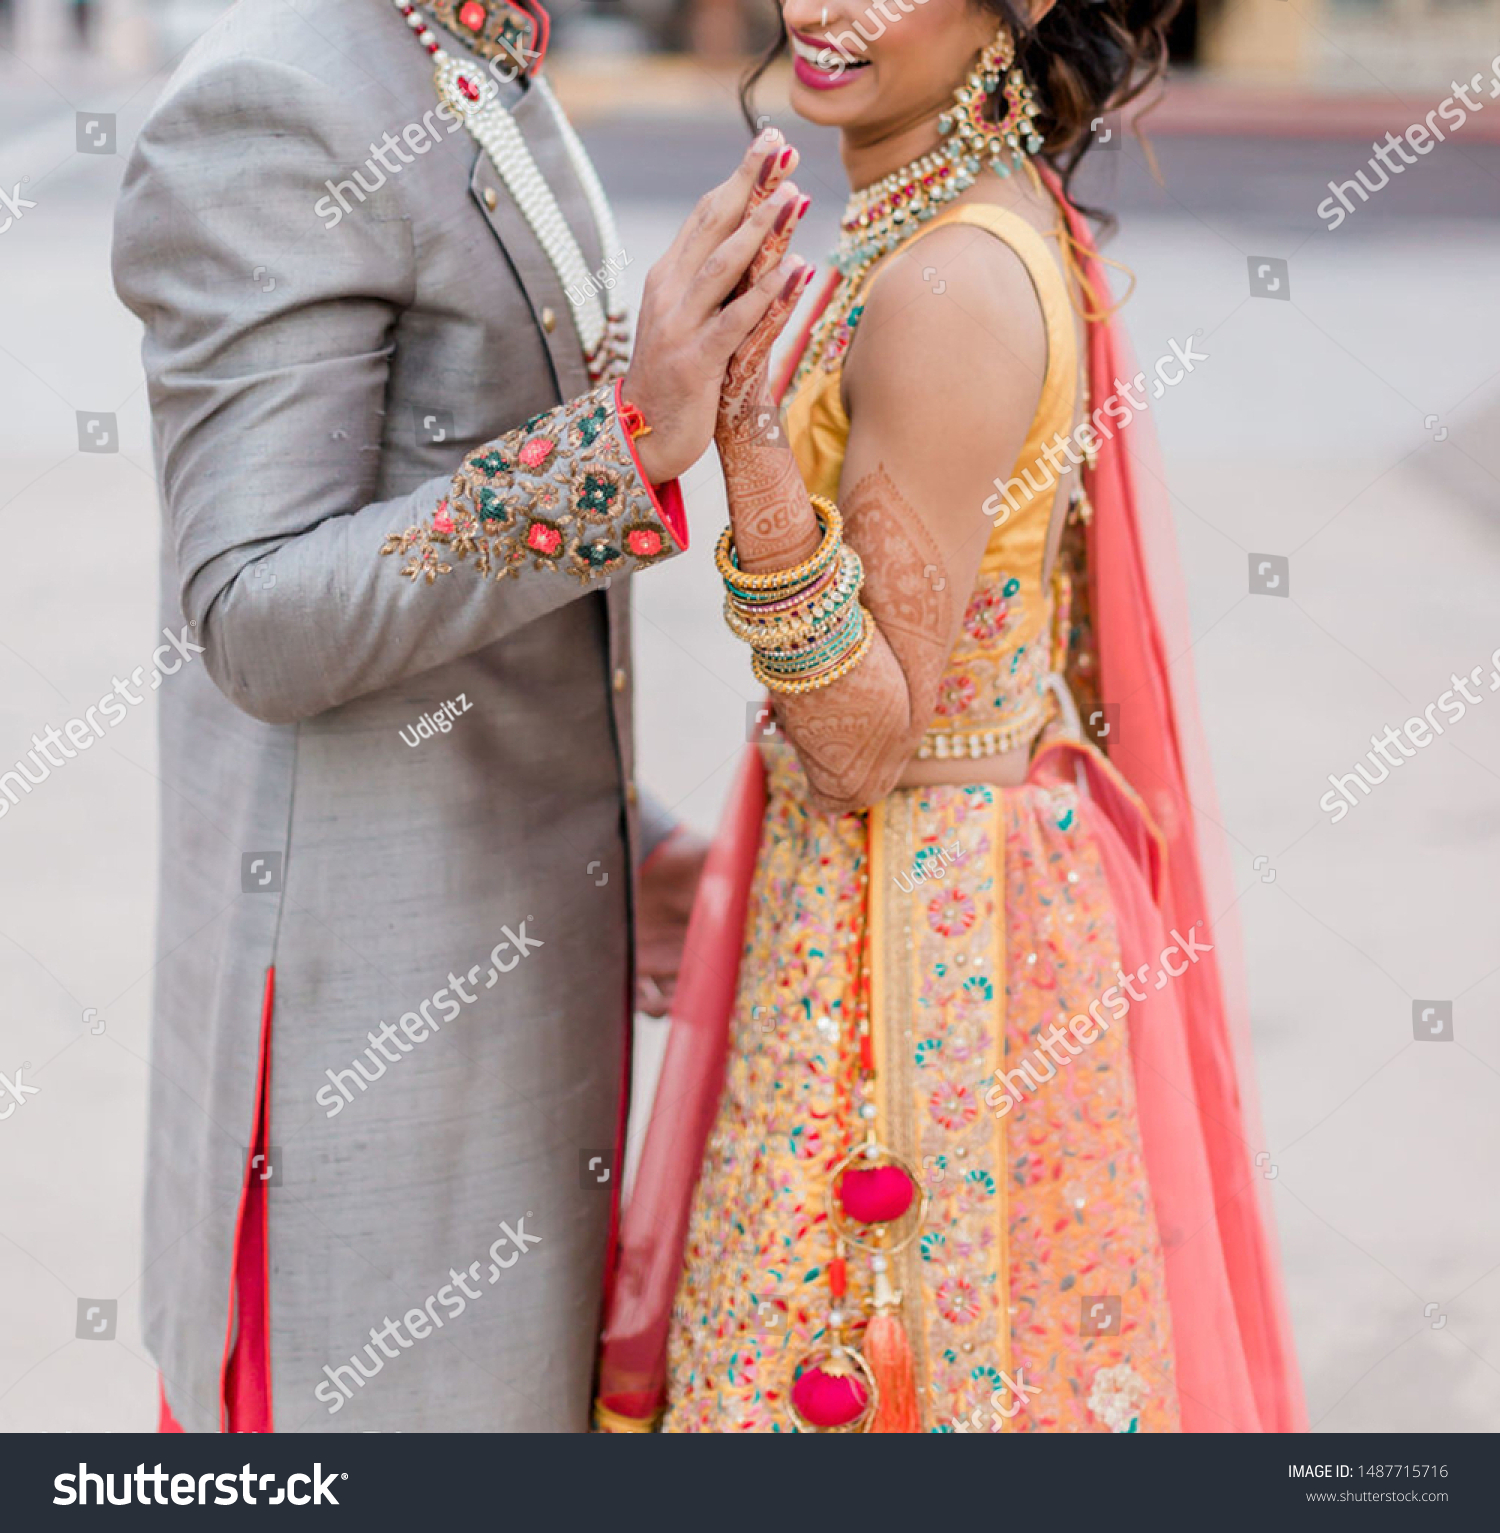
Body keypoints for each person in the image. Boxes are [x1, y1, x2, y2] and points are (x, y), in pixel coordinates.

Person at [597, 0, 1307, 1432]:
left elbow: (860, 743)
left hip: (917, 946)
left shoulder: (947, 282)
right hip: (907, 898)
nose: (815, 10)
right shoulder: (939, 214)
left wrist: (743, 440)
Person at [111, 0, 809, 1432]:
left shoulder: (481, 59)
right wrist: (624, 444)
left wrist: (629, 839)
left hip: (511, 999)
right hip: (363, 1052)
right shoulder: (277, 99)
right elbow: (252, 606)